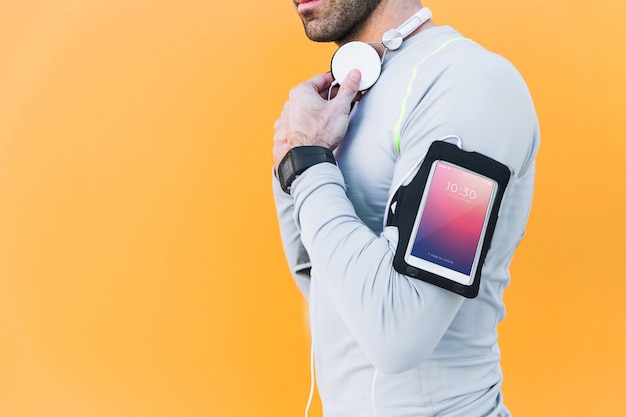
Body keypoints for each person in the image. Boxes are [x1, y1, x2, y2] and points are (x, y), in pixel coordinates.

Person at [271, 0, 539, 416]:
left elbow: (397, 335)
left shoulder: (473, 86)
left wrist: (307, 165)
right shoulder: (340, 101)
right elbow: (326, 289)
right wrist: (295, 161)